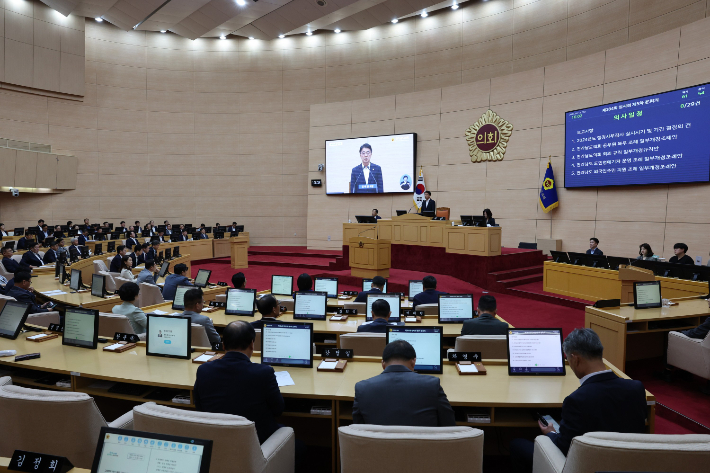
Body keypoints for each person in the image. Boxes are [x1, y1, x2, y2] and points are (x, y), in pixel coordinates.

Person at [509, 329, 647, 472]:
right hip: (630, 465)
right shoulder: (636, 388)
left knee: (517, 444)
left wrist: (550, 433)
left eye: (568, 360)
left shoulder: (576, 400)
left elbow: (563, 448)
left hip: (588, 467)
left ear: (576, 359)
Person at [194, 320, 283, 443]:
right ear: (252, 344)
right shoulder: (264, 372)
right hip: (256, 442)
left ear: (223, 345)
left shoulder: (203, 370)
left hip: (216, 440)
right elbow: (278, 410)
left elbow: (199, 408)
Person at [353, 339, 456, 426]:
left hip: (377, 448)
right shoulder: (432, 385)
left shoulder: (362, 388)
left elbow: (358, 429)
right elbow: (449, 424)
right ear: (413, 362)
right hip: (423, 449)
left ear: (383, 364)